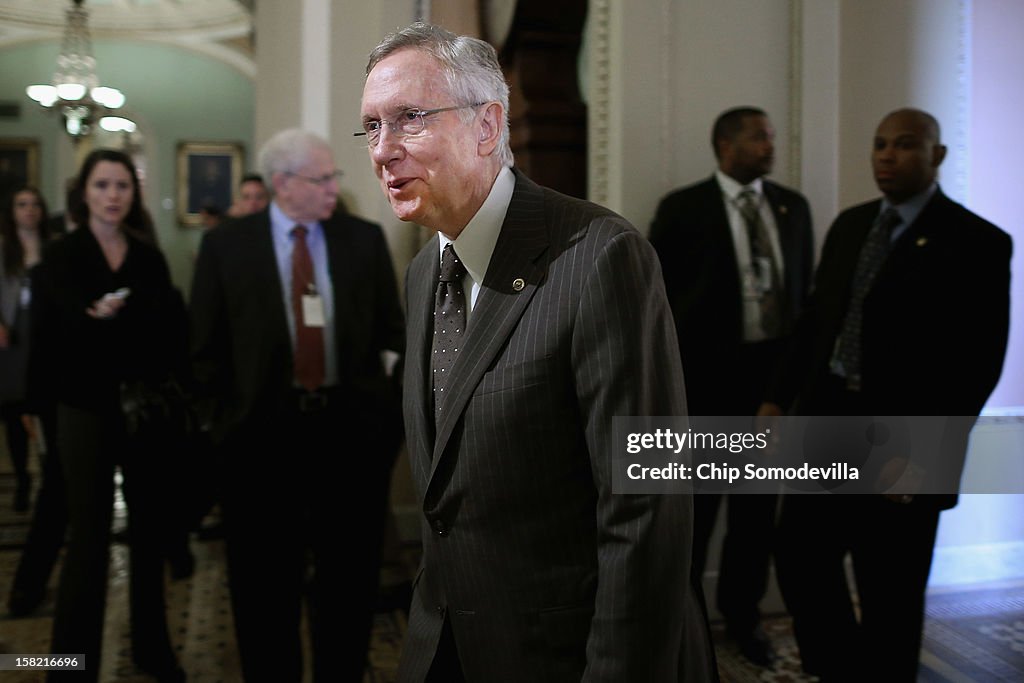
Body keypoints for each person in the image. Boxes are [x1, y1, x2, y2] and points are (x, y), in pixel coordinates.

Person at [360, 22, 715, 682]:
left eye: (407, 119)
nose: (383, 150)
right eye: (372, 127)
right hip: (446, 643)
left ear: (487, 126)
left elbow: (644, 509)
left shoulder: (600, 257)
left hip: (565, 653)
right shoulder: (418, 273)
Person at [760, 108, 1012, 681]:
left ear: (937, 156)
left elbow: (976, 366)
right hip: (827, 426)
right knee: (801, 559)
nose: (887, 156)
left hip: (905, 438)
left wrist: (925, 457)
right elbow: (816, 321)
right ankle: (841, 670)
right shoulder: (851, 226)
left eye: (903, 145)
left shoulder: (977, 242)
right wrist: (776, 400)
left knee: (889, 591)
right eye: (878, 145)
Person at [189, 128, 404, 682]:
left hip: (348, 439)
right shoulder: (227, 246)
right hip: (260, 441)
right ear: (284, 185)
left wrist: (384, 424)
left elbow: (396, 339)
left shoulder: (362, 240)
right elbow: (204, 352)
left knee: (347, 589)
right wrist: (223, 430)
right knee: (264, 594)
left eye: (334, 176)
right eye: (322, 178)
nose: (335, 186)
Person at [649, 106, 814, 667]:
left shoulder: (793, 208)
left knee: (754, 520)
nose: (770, 145)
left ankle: (744, 621)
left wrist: (783, 391)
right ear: (725, 144)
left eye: (771, 135)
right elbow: (657, 306)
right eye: (758, 137)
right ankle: (684, 628)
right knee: (694, 520)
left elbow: (802, 307)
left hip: (768, 391)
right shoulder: (682, 209)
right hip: (700, 394)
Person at [29, 149, 187, 682]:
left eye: (122, 185)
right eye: (102, 185)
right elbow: (54, 339)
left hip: (143, 410)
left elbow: (165, 333)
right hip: (83, 410)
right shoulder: (62, 255)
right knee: (88, 540)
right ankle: (70, 667)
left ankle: (152, 650)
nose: (113, 195)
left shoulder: (147, 257)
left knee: (149, 535)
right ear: (84, 194)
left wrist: (107, 320)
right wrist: (99, 322)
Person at [0, 186, 54, 512]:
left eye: (35, 204)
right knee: (13, 410)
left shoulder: (52, 248)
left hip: (44, 334)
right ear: (12, 211)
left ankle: (51, 478)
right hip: (12, 334)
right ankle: (22, 478)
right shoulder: (3, 248)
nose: (29, 210)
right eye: (22, 205)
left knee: (45, 408)